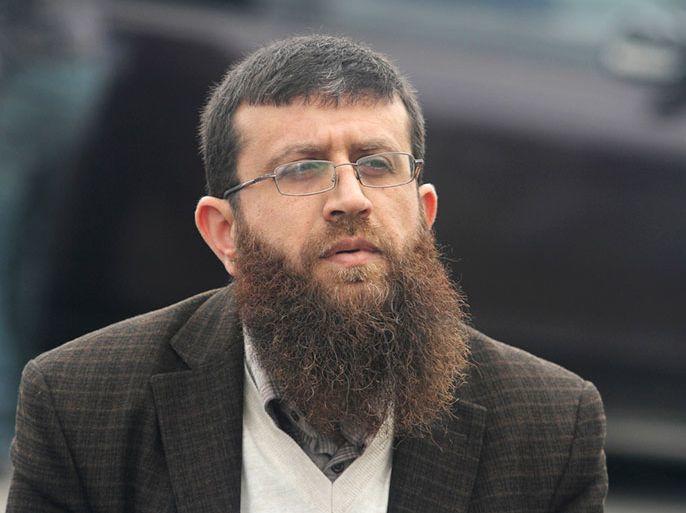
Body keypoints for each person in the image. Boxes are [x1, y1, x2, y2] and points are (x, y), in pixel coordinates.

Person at [7, 35, 607, 513]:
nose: (351, 199)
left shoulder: (549, 425)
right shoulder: (83, 402)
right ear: (225, 232)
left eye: (377, 165)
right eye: (300, 170)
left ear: (425, 214)